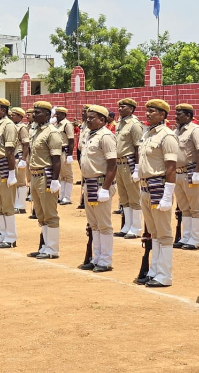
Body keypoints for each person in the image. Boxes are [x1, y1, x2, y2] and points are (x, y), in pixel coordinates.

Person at [135, 99, 179, 288]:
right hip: (145, 187)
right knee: (153, 232)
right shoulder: (148, 134)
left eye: (152, 111)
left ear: (163, 115)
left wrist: (168, 194)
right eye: (147, 111)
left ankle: (164, 274)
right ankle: (155, 270)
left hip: (158, 186)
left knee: (164, 233)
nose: (148, 114)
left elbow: (171, 167)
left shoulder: (167, 136)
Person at [78, 105, 118, 272]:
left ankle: (105, 260)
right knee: (93, 224)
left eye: (92, 117)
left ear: (102, 119)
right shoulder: (88, 134)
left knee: (103, 224)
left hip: (101, 183)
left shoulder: (106, 136)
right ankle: (96, 257)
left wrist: (105, 188)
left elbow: (112, 164)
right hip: (89, 183)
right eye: (87, 117)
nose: (88, 120)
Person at [26, 101, 63, 259]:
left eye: (38, 112)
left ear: (47, 115)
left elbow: (56, 159)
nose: (34, 115)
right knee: (40, 214)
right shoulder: (36, 131)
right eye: (34, 112)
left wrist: (55, 180)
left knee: (50, 213)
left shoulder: (51, 132)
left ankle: (52, 249)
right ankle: (45, 246)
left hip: (46, 175)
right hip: (35, 175)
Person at [173, 104, 199, 250]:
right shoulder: (176, 131)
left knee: (195, 207)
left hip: (191, 172)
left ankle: (196, 239)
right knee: (184, 207)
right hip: (178, 173)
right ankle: (186, 236)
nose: (176, 116)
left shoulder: (195, 130)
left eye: (179, 114)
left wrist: (197, 172)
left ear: (188, 116)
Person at [0, 99, 19, 248]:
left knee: (7, 204)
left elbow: (9, 151)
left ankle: (11, 237)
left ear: (5, 110)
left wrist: (12, 173)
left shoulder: (9, 126)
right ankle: (2, 235)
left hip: (4, 166)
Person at [114, 98, 144, 239]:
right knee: (123, 196)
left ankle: (136, 227)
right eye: (119, 106)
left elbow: (138, 147)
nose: (119, 109)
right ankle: (127, 225)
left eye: (123, 106)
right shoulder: (120, 123)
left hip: (129, 162)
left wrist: (137, 168)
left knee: (133, 195)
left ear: (131, 109)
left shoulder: (134, 125)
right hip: (119, 163)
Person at [54, 107, 75, 205]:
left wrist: (70, 155)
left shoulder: (67, 124)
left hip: (64, 151)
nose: (56, 116)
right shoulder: (57, 125)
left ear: (63, 115)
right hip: (57, 151)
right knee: (62, 175)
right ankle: (62, 196)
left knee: (68, 175)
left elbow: (71, 140)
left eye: (58, 114)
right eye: (56, 114)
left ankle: (67, 197)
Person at [11, 107, 30, 214]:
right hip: (13, 157)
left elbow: (26, 144)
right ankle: (16, 204)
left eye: (13, 115)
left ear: (19, 116)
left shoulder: (22, 127)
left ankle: (21, 206)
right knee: (14, 183)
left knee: (21, 182)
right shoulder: (12, 126)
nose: (11, 116)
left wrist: (23, 159)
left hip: (19, 157)